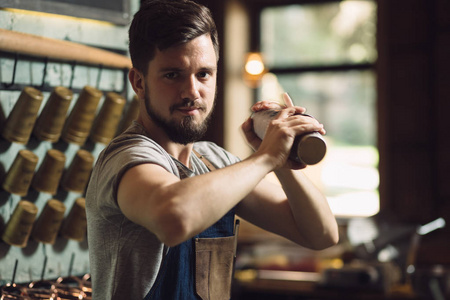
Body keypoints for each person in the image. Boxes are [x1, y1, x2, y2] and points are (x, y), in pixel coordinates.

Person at [85, 0, 339, 299]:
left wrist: (282, 161)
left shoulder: (213, 160)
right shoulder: (128, 157)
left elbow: (321, 234)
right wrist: (266, 157)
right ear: (139, 82)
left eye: (203, 74)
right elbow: (174, 218)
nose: (192, 91)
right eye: (172, 75)